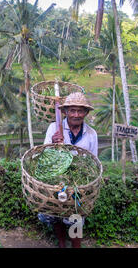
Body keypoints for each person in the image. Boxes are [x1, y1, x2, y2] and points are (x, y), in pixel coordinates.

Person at [39, 92, 98, 248]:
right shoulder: (54, 128)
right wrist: (52, 144)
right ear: (65, 112)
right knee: (56, 212)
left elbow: (94, 162)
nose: (76, 115)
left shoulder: (91, 134)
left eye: (80, 111)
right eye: (72, 110)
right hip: (57, 177)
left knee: (76, 215)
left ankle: (76, 245)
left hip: (79, 181)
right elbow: (42, 155)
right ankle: (61, 243)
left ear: (86, 113)